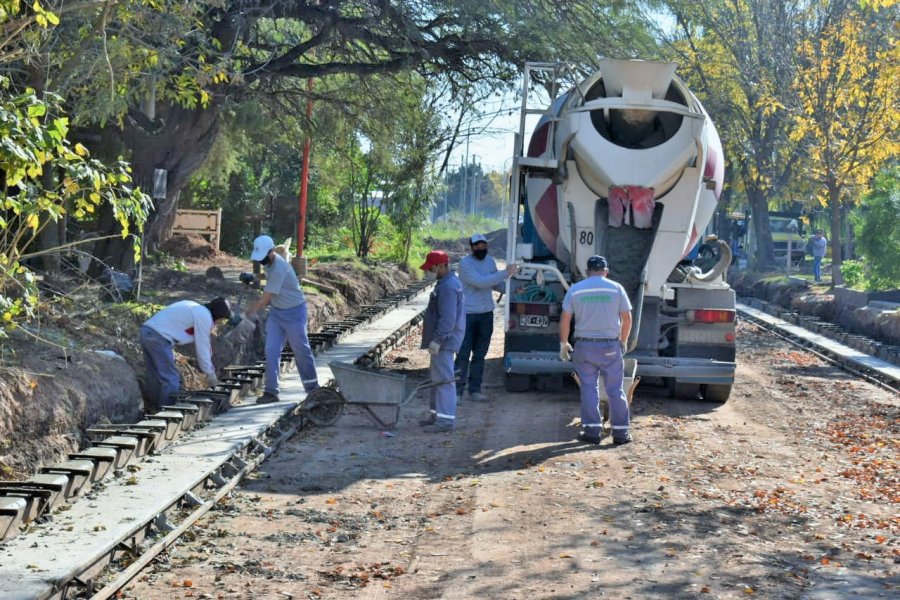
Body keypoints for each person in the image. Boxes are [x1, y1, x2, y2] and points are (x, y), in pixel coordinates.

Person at [558, 255, 633, 446]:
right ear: (606, 271)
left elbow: (565, 318)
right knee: (615, 389)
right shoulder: (617, 288)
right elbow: (627, 318)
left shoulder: (575, 290)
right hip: (610, 346)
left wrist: (564, 343)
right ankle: (621, 433)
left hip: (584, 347)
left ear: (587, 271)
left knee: (589, 388)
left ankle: (592, 431)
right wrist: (623, 341)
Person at [245, 234, 319, 403]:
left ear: (271, 251)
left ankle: (313, 390)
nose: (261, 261)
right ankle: (271, 392)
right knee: (271, 350)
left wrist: (249, 311)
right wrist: (255, 277)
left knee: (301, 350)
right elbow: (268, 276)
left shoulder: (279, 267)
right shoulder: (271, 263)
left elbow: (266, 298)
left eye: (263, 257)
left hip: (294, 313)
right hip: (277, 313)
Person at [455, 233, 518, 402]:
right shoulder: (465, 264)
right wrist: (506, 272)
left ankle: (475, 390)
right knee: (463, 354)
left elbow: (494, 283)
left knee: (480, 355)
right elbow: (481, 282)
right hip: (467, 315)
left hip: (485, 314)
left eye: (483, 245)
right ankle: (457, 392)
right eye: (477, 245)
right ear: (471, 247)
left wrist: (512, 290)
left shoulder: (489, 262)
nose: (481, 248)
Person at [140, 297, 231, 411]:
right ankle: (166, 412)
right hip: (159, 337)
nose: (219, 323)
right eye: (221, 320)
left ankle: (152, 408)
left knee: (155, 374)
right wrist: (209, 373)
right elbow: (203, 347)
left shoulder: (195, 307)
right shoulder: (204, 316)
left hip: (146, 331)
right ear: (217, 315)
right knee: (171, 379)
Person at [418, 250, 465, 433]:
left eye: (431, 268)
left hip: (445, 341)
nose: (430, 271)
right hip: (444, 340)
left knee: (444, 380)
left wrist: (438, 340)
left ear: (442, 266)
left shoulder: (448, 287)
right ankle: (436, 415)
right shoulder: (446, 283)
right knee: (437, 378)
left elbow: (448, 318)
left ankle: (445, 421)